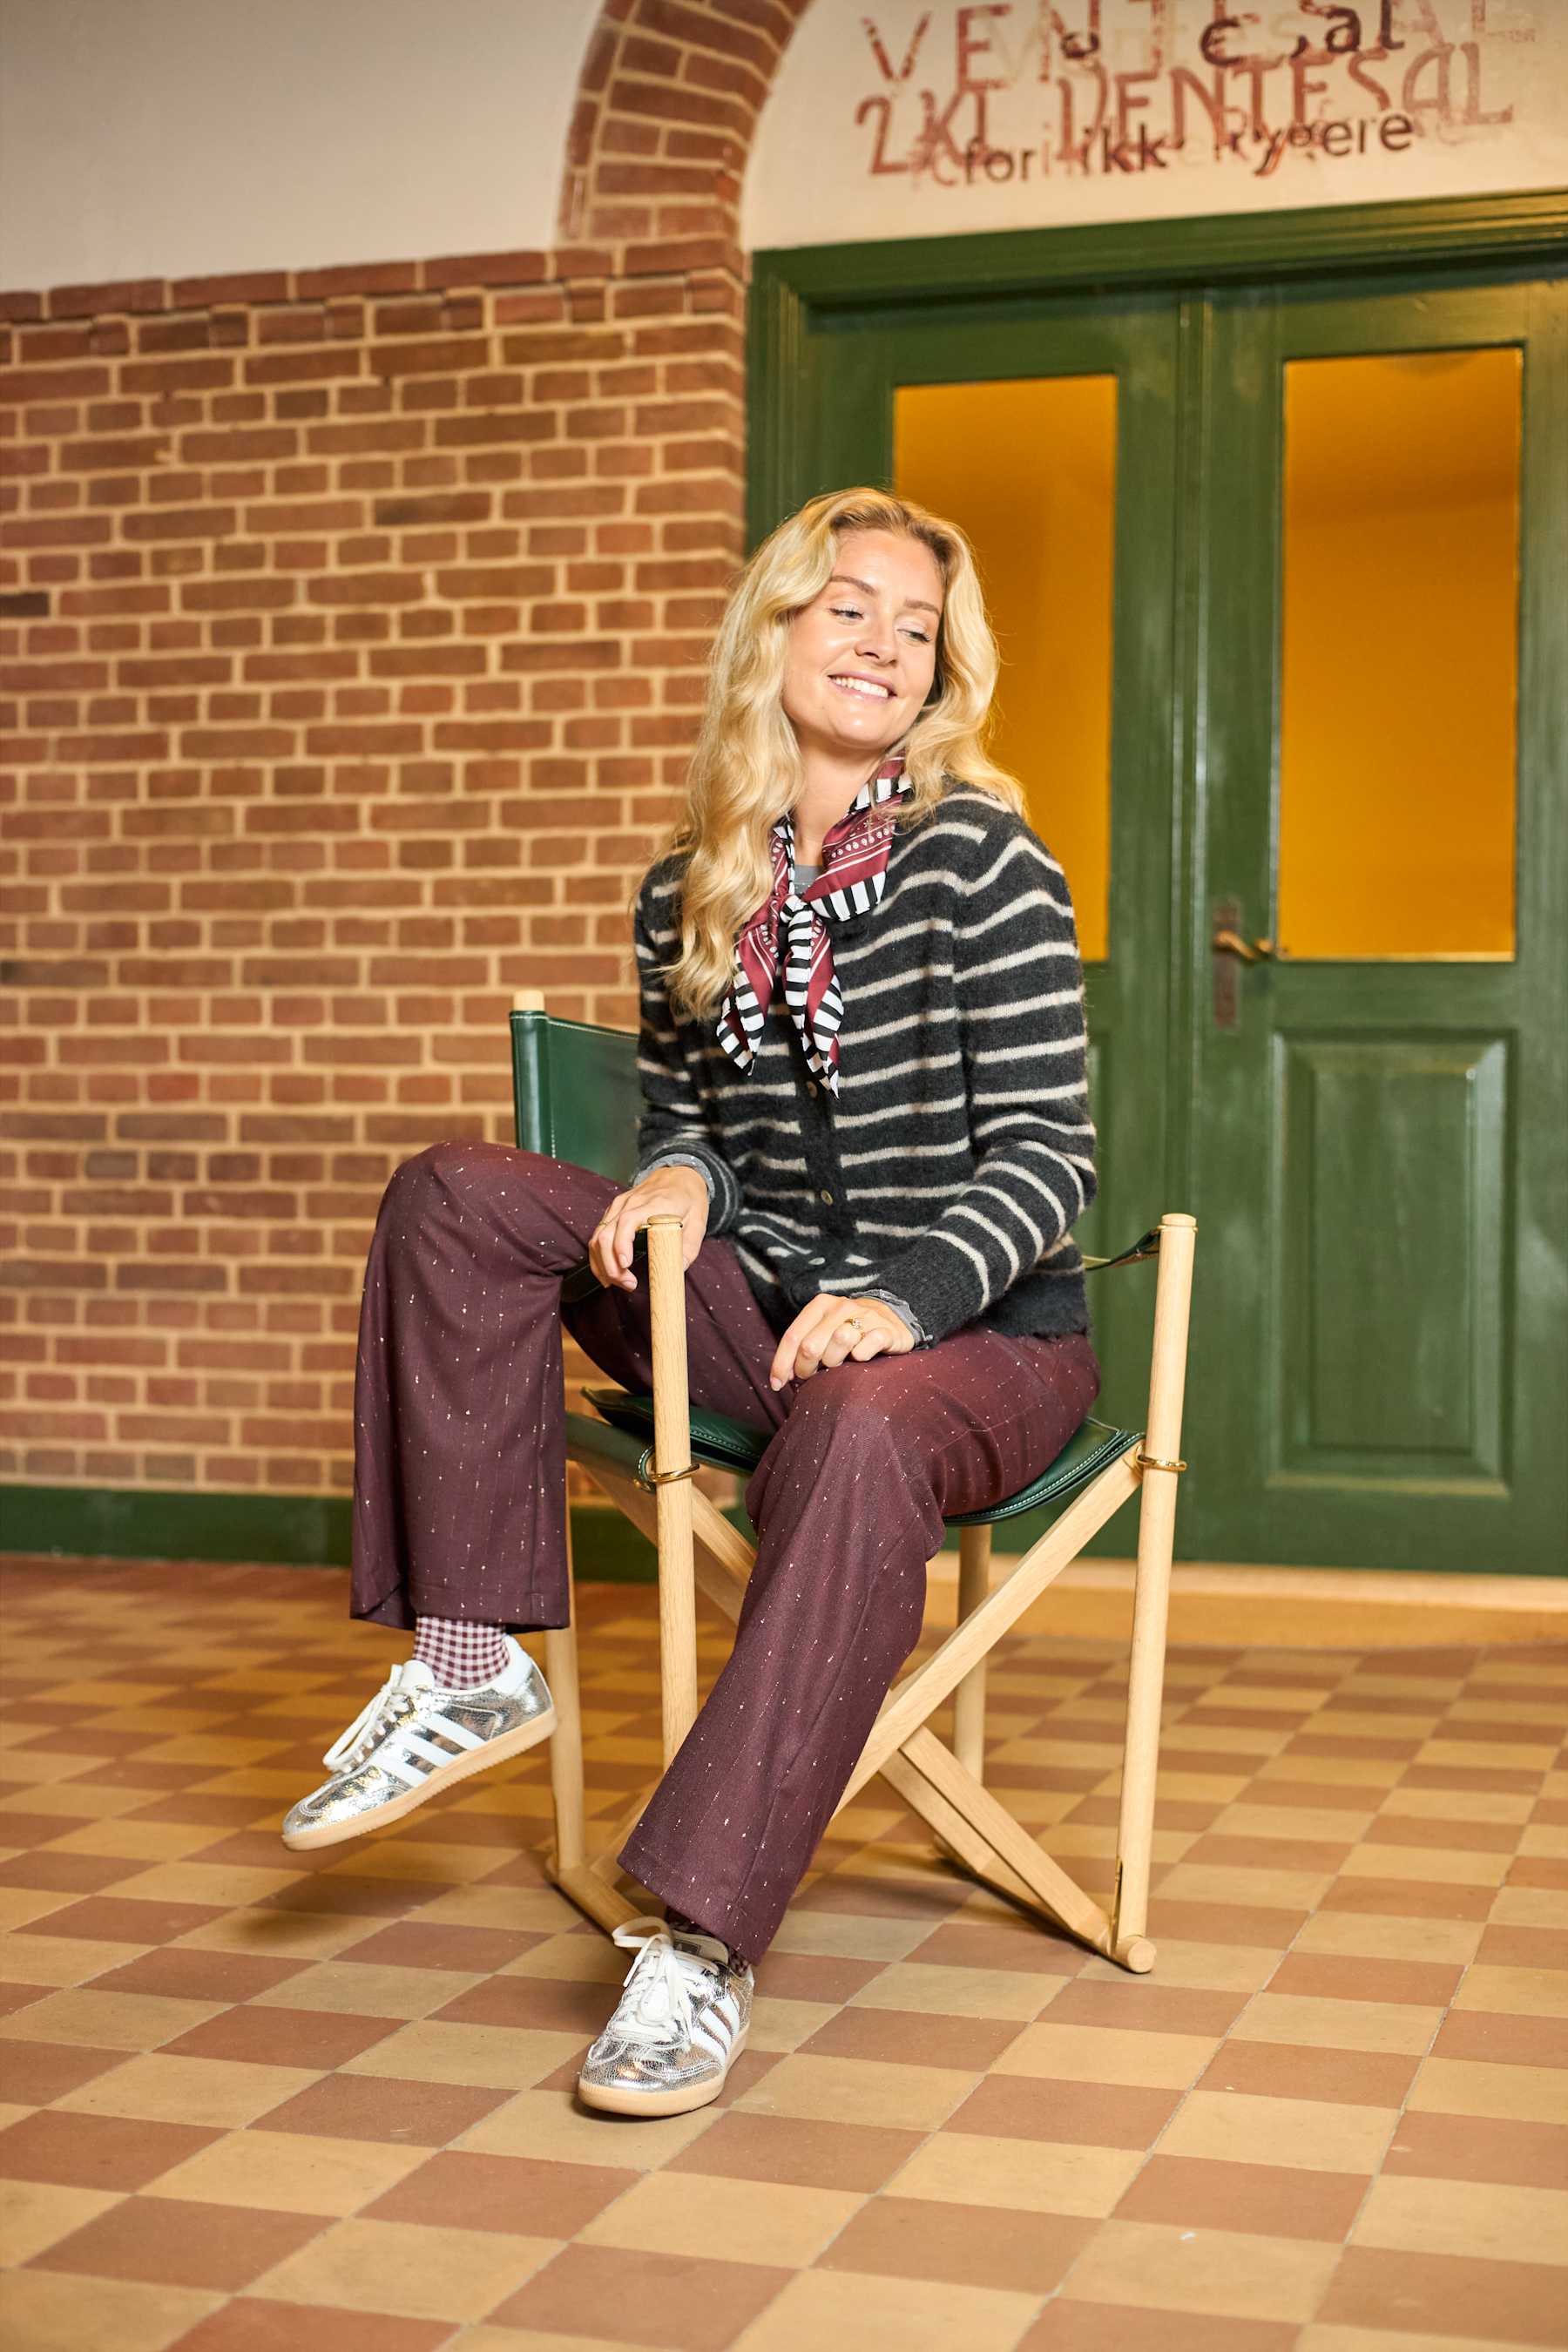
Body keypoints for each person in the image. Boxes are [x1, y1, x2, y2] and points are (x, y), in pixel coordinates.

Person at [280, 486, 1102, 2119]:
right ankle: (469, 1660)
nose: (883, 645)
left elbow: (1048, 1155)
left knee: (858, 1425)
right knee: (456, 1193)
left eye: (918, 629)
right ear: (775, 627)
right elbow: (693, 1127)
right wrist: (677, 1183)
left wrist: (904, 1300)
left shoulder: (986, 862)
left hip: (981, 1342)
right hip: (770, 1315)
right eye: (849, 607)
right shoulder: (689, 891)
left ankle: (703, 1941)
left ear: (943, 674)